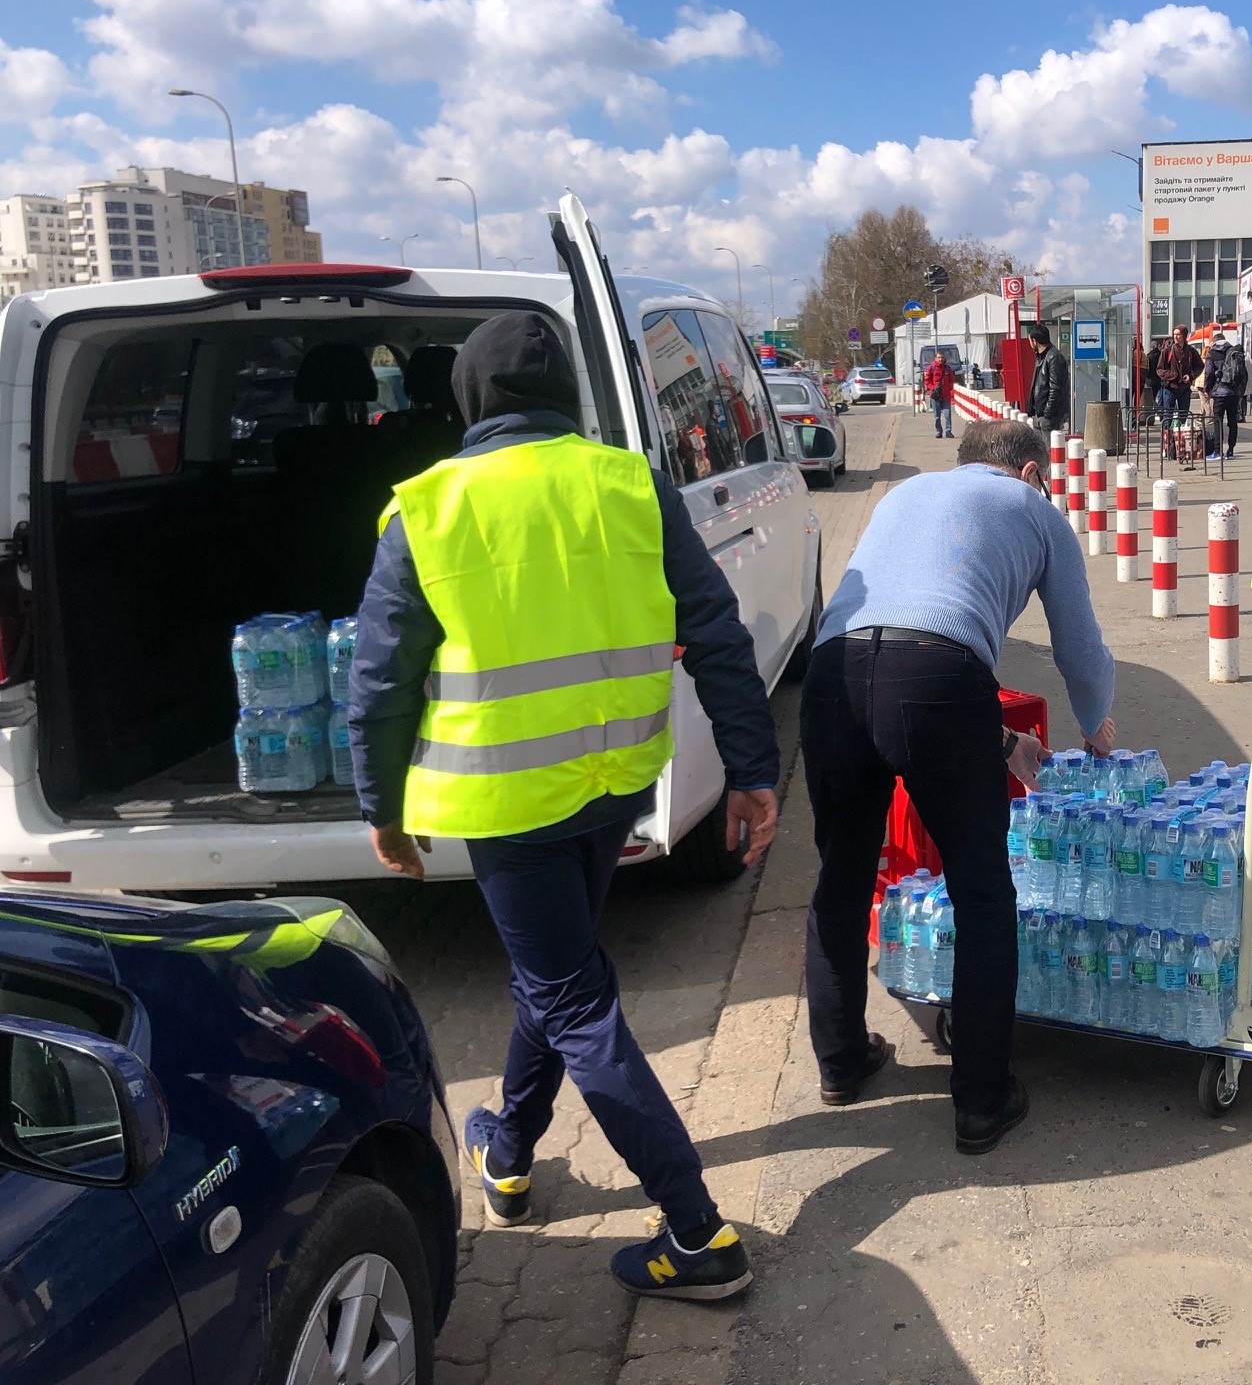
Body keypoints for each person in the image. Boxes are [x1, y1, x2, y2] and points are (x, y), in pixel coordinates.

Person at [348, 312, 780, 1302]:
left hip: (508, 805)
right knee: (559, 977)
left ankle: (698, 1233)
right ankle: (507, 1153)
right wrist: (752, 772)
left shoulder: (429, 506)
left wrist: (382, 806)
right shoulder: (631, 483)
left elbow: (378, 682)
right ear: (568, 399)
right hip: (613, 784)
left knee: (571, 996)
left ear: (465, 399)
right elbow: (714, 628)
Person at [803, 419, 1116, 1153]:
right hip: (937, 674)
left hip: (831, 672)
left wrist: (1006, 742)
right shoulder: (1038, 513)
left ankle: (841, 1062)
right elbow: (1079, 647)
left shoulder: (905, 496)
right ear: (1034, 472)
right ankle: (981, 1098)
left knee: (842, 878)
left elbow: (889, 646)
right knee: (981, 891)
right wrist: (1098, 725)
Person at [1202, 333, 1248, 459]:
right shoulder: (1234, 352)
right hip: (1234, 392)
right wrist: (1240, 393)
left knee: (1218, 421)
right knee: (1233, 421)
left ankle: (1217, 451)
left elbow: (1209, 373)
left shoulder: (1212, 353)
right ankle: (1231, 450)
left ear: (1214, 342)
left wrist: (1207, 389)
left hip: (1219, 393)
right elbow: (1243, 374)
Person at [1026, 324, 1070, 436]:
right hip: (1039, 414)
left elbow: (1056, 388)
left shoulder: (1054, 357)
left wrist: (1048, 414)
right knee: (1041, 451)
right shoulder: (1041, 356)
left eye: (1030, 340)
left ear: (1034, 341)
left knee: (1050, 450)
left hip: (1049, 417)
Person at [1156, 325, 1202, 422]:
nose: (1175, 337)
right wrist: (1173, 376)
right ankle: (1167, 436)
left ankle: (1179, 435)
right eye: (1174, 334)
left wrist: (1191, 376)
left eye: (1178, 334)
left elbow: (1200, 366)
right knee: (1168, 417)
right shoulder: (1167, 351)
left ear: (1184, 336)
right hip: (1170, 388)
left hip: (1185, 389)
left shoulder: (1191, 351)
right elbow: (1159, 369)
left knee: (1183, 417)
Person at [922, 352, 957, 439]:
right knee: (937, 416)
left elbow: (951, 380)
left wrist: (949, 389)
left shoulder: (948, 368)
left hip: (946, 396)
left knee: (947, 414)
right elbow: (927, 380)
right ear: (936, 358)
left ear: (944, 358)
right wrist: (932, 388)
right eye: (939, 357)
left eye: (942, 357)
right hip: (936, 396)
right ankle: (939, 432)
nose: (941, 359)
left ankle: (948, 431)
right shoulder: (931, 367)